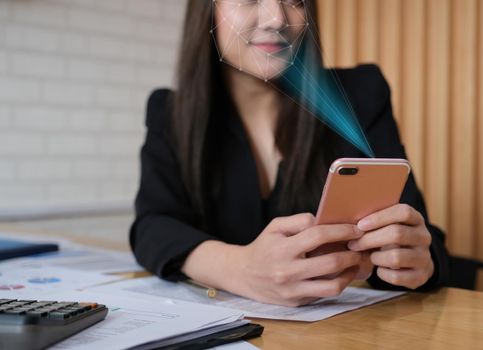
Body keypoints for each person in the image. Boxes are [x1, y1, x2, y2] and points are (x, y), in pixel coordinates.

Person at [130, 0, 449, 307]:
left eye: (293, 0)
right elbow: (153, 227)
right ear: (206, 11)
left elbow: (418, 232)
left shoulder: (360, 95)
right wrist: (239, 268)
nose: (276, 19)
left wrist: (420, 260)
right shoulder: (171, 113)